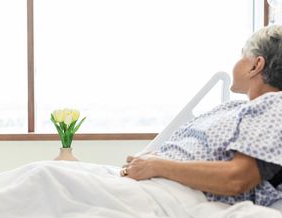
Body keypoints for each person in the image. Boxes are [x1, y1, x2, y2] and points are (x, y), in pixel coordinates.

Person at [121, 25, 282, 207]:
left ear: (255, 65)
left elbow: (237, 178)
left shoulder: (275, 106)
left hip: (173, 194)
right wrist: (151, 160)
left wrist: (156, 165)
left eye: (242, 56)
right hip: (152, 185)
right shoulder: (237, 108)